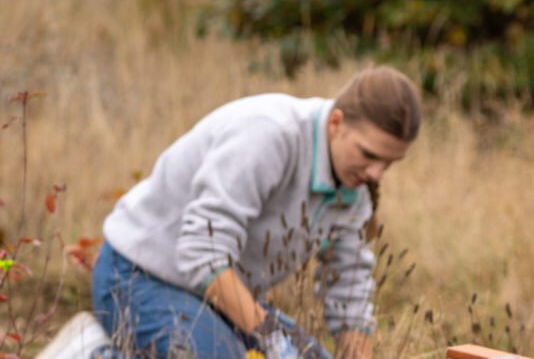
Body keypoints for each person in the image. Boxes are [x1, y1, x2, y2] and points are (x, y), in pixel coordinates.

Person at [93, 66, 422, 358]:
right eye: (369, 154)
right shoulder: (269, 135)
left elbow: (348, 290)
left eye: (390, 163)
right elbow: (202, 251)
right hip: (138, 278)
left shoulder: (355, 187)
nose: (377, 174)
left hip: (218, 298)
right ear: (336, 122)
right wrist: (272, 340)